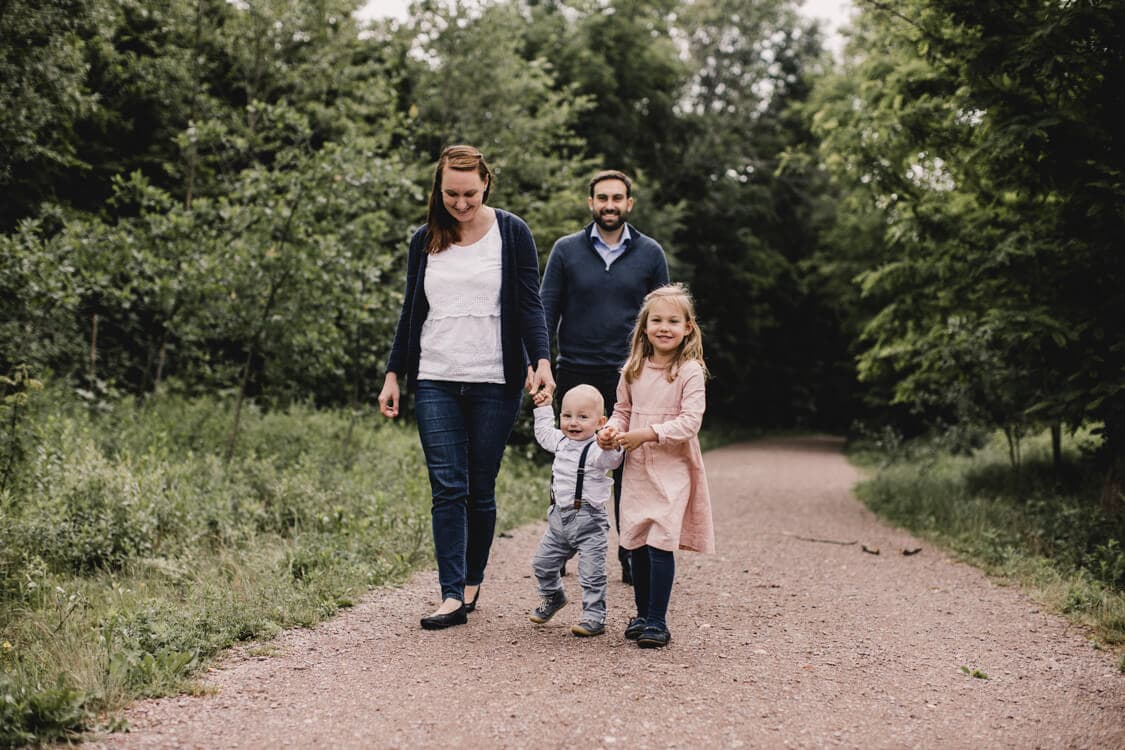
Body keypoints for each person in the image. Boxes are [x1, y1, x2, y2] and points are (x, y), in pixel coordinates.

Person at [378, 144, 555, 630]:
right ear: (439, 189)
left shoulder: (512, 233)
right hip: (435, 376)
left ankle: (473, 578)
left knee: (480, 487)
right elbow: (412, 311)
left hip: (494, 380)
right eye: (452, 193)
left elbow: (529, 305)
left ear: (486, 185)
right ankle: (451, 594)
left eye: (470, 193)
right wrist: (394, 373)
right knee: (447, 487)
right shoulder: (426, 239)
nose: (461, 203)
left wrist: (541, 360)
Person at [540, 169, 670, 584]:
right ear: (590, 202)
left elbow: (663, 316)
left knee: (628, 465)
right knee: (569, 457)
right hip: (577, 369)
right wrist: (540, 362)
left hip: (632, 376)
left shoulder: (651, 253)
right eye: (602, 198)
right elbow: (545, 310)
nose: (609, 205)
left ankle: (630, 552)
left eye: (617, 198)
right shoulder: (565, 250)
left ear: (629, 204)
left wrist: (663, 373)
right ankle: (561, 545)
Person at [597, 284, 713, 648]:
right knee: (636, 539)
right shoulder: (633, 368)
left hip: (672, 466)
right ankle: (642, 613)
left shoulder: (689, 370)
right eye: (657, 320)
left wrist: (646, 434)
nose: (665, 327)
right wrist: (611, 430)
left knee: (661, 541)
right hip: (635, 467)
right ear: (645, 326)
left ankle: (657, 621)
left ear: (688, 327)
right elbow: (622, 410)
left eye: (673, 321)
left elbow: (690, 422)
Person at [527, 384, 624, 637]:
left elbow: (612, 461)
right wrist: (544, 407)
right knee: (542, 564)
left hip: (589, 521)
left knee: (592, 573)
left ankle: (594, 617)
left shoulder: (596, 448)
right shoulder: (560, 441)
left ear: (600, 421)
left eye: (583, 417)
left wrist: (610, 443)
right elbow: (543, 432)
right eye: (567, 415)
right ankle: (554, 596)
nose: (573, 422)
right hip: (559, 519)